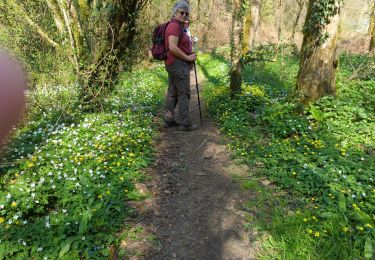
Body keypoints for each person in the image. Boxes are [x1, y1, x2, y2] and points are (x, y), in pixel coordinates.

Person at [164, 1, 198, 131]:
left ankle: (169, 120)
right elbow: (172, 47)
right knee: (184, 93)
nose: (184, 15)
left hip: (173, 63)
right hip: (178, 64)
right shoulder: (174, 26)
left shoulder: (179, 26)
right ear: (175, 12)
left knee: (173, 92)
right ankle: (185, 123)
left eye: (186, 13)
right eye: (181, 12)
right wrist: (188, 57)